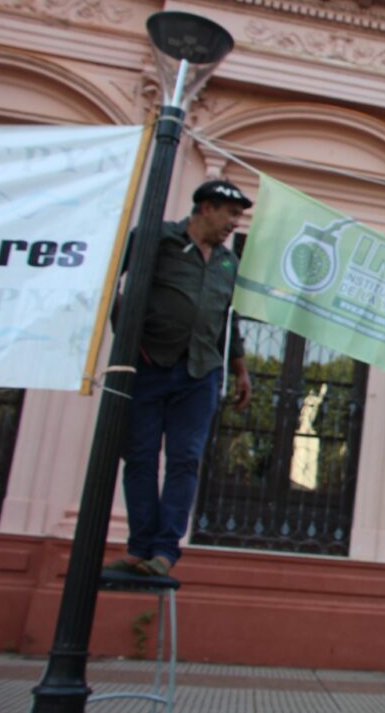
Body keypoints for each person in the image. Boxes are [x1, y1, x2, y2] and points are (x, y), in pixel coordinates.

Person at [103, 179, 254, 578]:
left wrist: (240, 369)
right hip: (149, 365)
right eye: (230, 214)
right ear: (206, 207)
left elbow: (227, 318)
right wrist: (126, 335)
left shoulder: (227, 263)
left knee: (185, 460)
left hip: (200, 372)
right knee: (139, 456)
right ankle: (139, 547)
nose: (234, 224)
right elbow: (109, 283)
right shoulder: (157, 238)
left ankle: (165, 552)